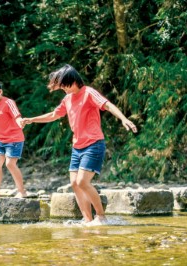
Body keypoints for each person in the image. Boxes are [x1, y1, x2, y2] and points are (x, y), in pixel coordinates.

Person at [22, 64, 137, 225]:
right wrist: (32, 119)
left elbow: (107, 105)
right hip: (77, 147)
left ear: (72, 80)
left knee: (83, 181)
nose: (63, 88)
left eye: (64, 85)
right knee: (75, 184)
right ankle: (87, 220)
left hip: (94, 144)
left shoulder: (88, 92)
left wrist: (124, 118)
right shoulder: (67, 99)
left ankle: (101, 217)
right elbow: (54, 115)